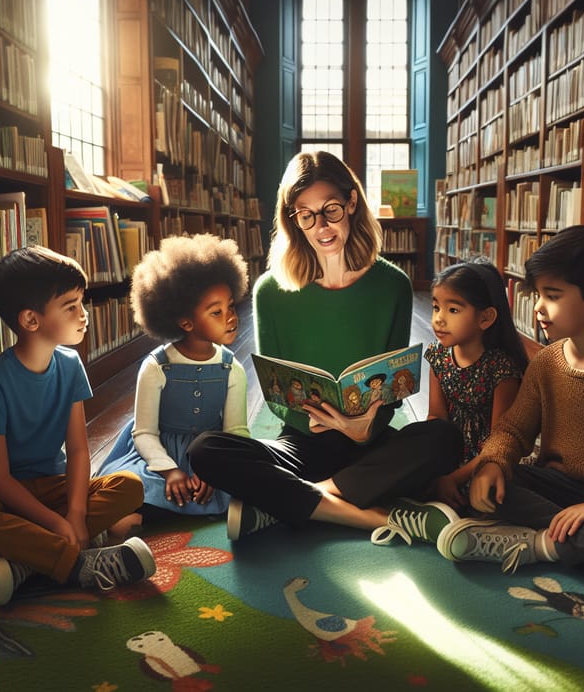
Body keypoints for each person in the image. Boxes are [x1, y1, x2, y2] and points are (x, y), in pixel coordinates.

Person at [188, 150, 463, 543]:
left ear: (352, 203)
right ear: (293, 219)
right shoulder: (271, 291)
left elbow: (393, 390)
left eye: (331, 209)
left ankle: (290, 501)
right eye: (306, 214)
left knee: (444, 439)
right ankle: (371, 517)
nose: (321, 226)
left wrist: (361, 429)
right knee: (205, 450)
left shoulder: (393, 286)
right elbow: (276, 395)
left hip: (369, 444)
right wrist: (312, 419)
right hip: (302, 443)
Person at [435, 226, 584, 603]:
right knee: (484, 481)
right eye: (537, 295)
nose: (539, 307)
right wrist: (495, 461)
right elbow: (513, 429)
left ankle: (541, 546)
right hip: (555, 490)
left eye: (552, 295)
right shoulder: (547, 362)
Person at [0, 246, 156, 607]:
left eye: (81, 303)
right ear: (30, 320)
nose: (84, 315)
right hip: (1, 495)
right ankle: (79, 563)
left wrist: (75, 513)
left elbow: (76, 449)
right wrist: (59, 524)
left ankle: (26, 559)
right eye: (71, 306)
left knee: (130, 486)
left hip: (51, 485)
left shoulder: (70, 364)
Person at [96, 233, 249, 523]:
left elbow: (235, 432)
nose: (231, 317)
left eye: (230, 305)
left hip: (210, 456)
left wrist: (216, 469)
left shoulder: (232, 369)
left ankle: (155, 515)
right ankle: (145, 514)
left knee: (255, 477)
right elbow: (144, 433)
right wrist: (169, 469)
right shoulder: (156, 367)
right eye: (216, 312)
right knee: (130, 486)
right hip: (156, 457)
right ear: (185, 322)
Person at [424, 260, 528, 510]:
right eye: (436, 307)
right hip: (447, 452)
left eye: (453, 310)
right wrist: (433, 464)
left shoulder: (501, 368)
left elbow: (497, 444)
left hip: (483, 460)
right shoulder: (438, 355)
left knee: (488, 495)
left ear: (486, 318)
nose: (439, 319)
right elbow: (435, 417)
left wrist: (453, 478)